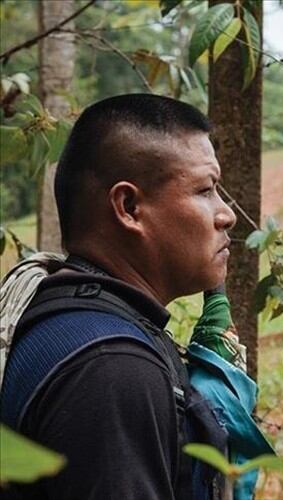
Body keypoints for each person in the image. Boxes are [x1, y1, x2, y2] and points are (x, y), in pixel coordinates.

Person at [0, 94, 267, 499]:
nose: (226, 213)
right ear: (128, 207)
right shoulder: (112, 369)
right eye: (204, 190)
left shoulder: (63, 317)